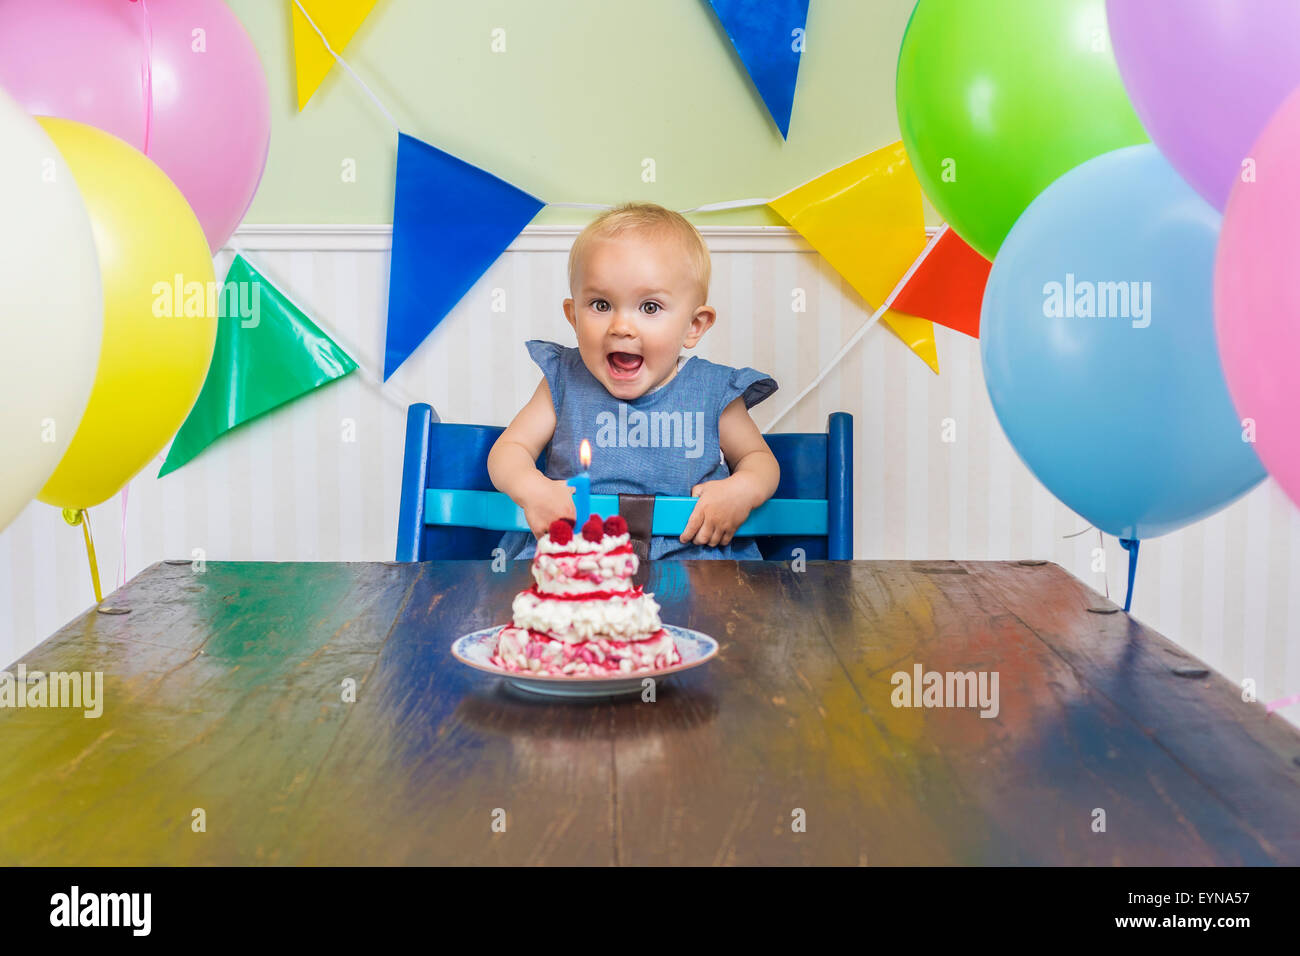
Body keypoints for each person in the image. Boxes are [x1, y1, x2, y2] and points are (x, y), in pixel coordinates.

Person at [488, 201, 780, 560]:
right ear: (574, 316)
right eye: (600, 305)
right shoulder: (563, 379)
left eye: (650, 307)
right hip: (578, 558)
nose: (622, 327)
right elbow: (508, 452)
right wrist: (533, 489)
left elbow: (759, 460)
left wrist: (740, 490)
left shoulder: (713, 390)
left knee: (724, 609)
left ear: (693, 326)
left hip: (692, 562)